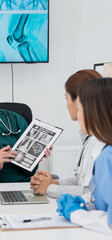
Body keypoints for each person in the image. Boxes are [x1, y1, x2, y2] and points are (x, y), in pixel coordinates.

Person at [30, 70, 105, 199]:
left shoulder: (102, 143)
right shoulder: (90, 137)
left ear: (80, 101)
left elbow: (92, 194)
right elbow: (82, 182)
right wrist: (53, 182)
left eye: (67, 98)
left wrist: (49, 188)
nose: (67, 104)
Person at [57, 78, 112, 235]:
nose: (78, 114)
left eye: (79, 108)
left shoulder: (108, 158)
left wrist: (76, 214)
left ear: (93, 113)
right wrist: (86, 202)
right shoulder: (102, 151)